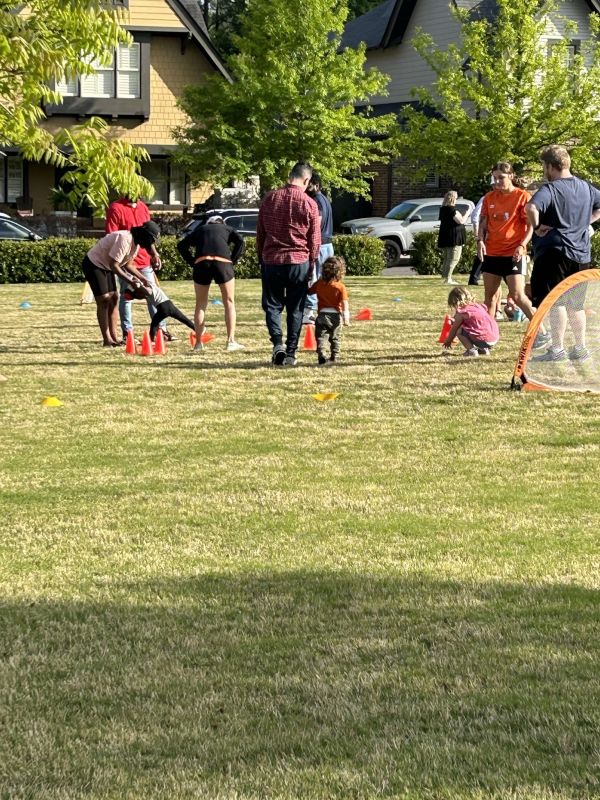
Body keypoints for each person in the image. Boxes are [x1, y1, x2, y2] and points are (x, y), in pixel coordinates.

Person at [526, 145, 600, 362]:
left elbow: (530, 208)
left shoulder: (551, 189)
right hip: (581, 255)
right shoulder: (586, 187)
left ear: (551, 166)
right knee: (575, 304)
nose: (543, 171)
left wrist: (537, 226)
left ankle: (557, 349)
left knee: (555, 302)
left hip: (555, 253)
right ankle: (580, 348)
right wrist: (586, 221)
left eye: (543, 167)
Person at [257, 161, 321, 367]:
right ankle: (291, 352)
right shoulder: (310, 203)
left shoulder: (269, 199)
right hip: (299, 261)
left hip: (272, 260)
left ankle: (277, 344)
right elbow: (315, 240)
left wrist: (261, 257)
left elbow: (261, 233)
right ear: (306, 180)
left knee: (272, 306)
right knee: (296, 308)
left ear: (289, 175)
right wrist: (311, 264)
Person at [477, 162, 540, 330]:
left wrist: (522, 245)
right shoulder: (489, 197)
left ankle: (540, 331)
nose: (497, 182)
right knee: (489, 297)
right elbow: (483, 223)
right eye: (495, 178)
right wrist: (480, 241)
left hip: (513, 254)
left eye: (501, 178)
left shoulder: (522, 196)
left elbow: (530, 226)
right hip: (492, 252)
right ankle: (486, 335)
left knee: (518, 295)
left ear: (511, 176)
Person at [82, 222, 160, 346]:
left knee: (114, 298)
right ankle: (107, 340)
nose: (151, 244)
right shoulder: (125, 239)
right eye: (150, 240)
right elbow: (114, 265)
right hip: (93, 264)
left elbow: (128, 265)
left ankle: (114, 337)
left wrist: (143, 279)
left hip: (106, 265)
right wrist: (130, 280)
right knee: (104, 299)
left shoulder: (136, 245)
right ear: (144, 235)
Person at [105, 195, 171, 341]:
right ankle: (128, 333)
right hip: (125, 262)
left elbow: (149, 235)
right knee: (126, 296)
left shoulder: (142, 207)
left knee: (152, 293)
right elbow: (112, 235)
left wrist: (154, 254)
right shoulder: (116, 208)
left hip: (144, 260)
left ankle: (160, 330)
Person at [177, 215, 246, 352]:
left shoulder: (200, 229)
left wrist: (192, 262)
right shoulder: (228, 228)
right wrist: (233, 259)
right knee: (229, 302)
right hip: (223, 263)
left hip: (201, 263)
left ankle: (198, 343)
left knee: (201, 304)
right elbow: (241, 242)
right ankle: (230, 341)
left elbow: (181, 245)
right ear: (221, 223)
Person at [303, 172, 334, 324]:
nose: (306, 188)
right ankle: (327, 309)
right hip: (327, 244)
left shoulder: (316, 201)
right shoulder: (325, 200)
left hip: (319, 244)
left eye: (309, 185)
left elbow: (317, 223)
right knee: (325, 279)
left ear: (316, 185)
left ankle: (309, 312)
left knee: (313, 278)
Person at [307, 255, 350, 365]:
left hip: (322, 315)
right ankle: (335, 356)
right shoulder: (340, 287)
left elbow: (309, 291)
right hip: (335, 316)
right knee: (335, 337)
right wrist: (346, 318)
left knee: (321, 336)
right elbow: (344, 303)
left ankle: (321, 352)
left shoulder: (320, 283)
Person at [123, 282, 195, 342]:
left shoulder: (149, 289)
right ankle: (198, 330)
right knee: (185, 320)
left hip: (163, 308)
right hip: (170, 305)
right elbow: (141, 296)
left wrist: (139, 286)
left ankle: (151, 339)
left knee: (154, 323)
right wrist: (134, 294)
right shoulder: (153, 289)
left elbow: (146, 291)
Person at [442, 286, 500, 356]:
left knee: (459, 330)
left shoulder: (462, 312)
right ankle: (483, 349)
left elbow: (454, 329)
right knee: (478, 329)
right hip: (494, 338)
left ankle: (471, 350)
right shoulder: (478, 306)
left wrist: (448, 341)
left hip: (483, 340)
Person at [437, 190, 467, 284]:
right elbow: (461, 221)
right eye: (456, 198)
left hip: (446, 236)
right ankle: (448, 279)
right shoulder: (451, 210)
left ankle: (445, 277)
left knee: (447, 258)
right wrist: (467, 213)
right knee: (454, 258)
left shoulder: (443, 209)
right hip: (453, 237)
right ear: (453, 199)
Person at [468, 195, 485, 285]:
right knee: (482, 253)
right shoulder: (486, 198)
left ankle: (475, 277)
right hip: (486, 230)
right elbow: (475, 216)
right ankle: (474, 278)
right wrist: (476, 231)